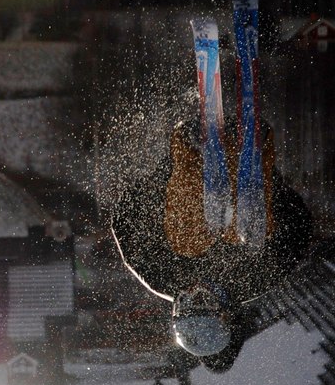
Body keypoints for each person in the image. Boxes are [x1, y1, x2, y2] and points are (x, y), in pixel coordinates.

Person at [112, 115, 312, 369]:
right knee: (246, 237)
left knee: (189, 242)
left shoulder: (161, 276)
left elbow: (124, 220)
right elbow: (299, 228)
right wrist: (272, 182)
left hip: (191, 174)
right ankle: (244, 150)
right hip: (242, 179)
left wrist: (165, 173)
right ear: (226, 312)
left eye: (189, 304)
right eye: (204, 303)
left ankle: (193, 145)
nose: (197, 292)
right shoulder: (256, 278)